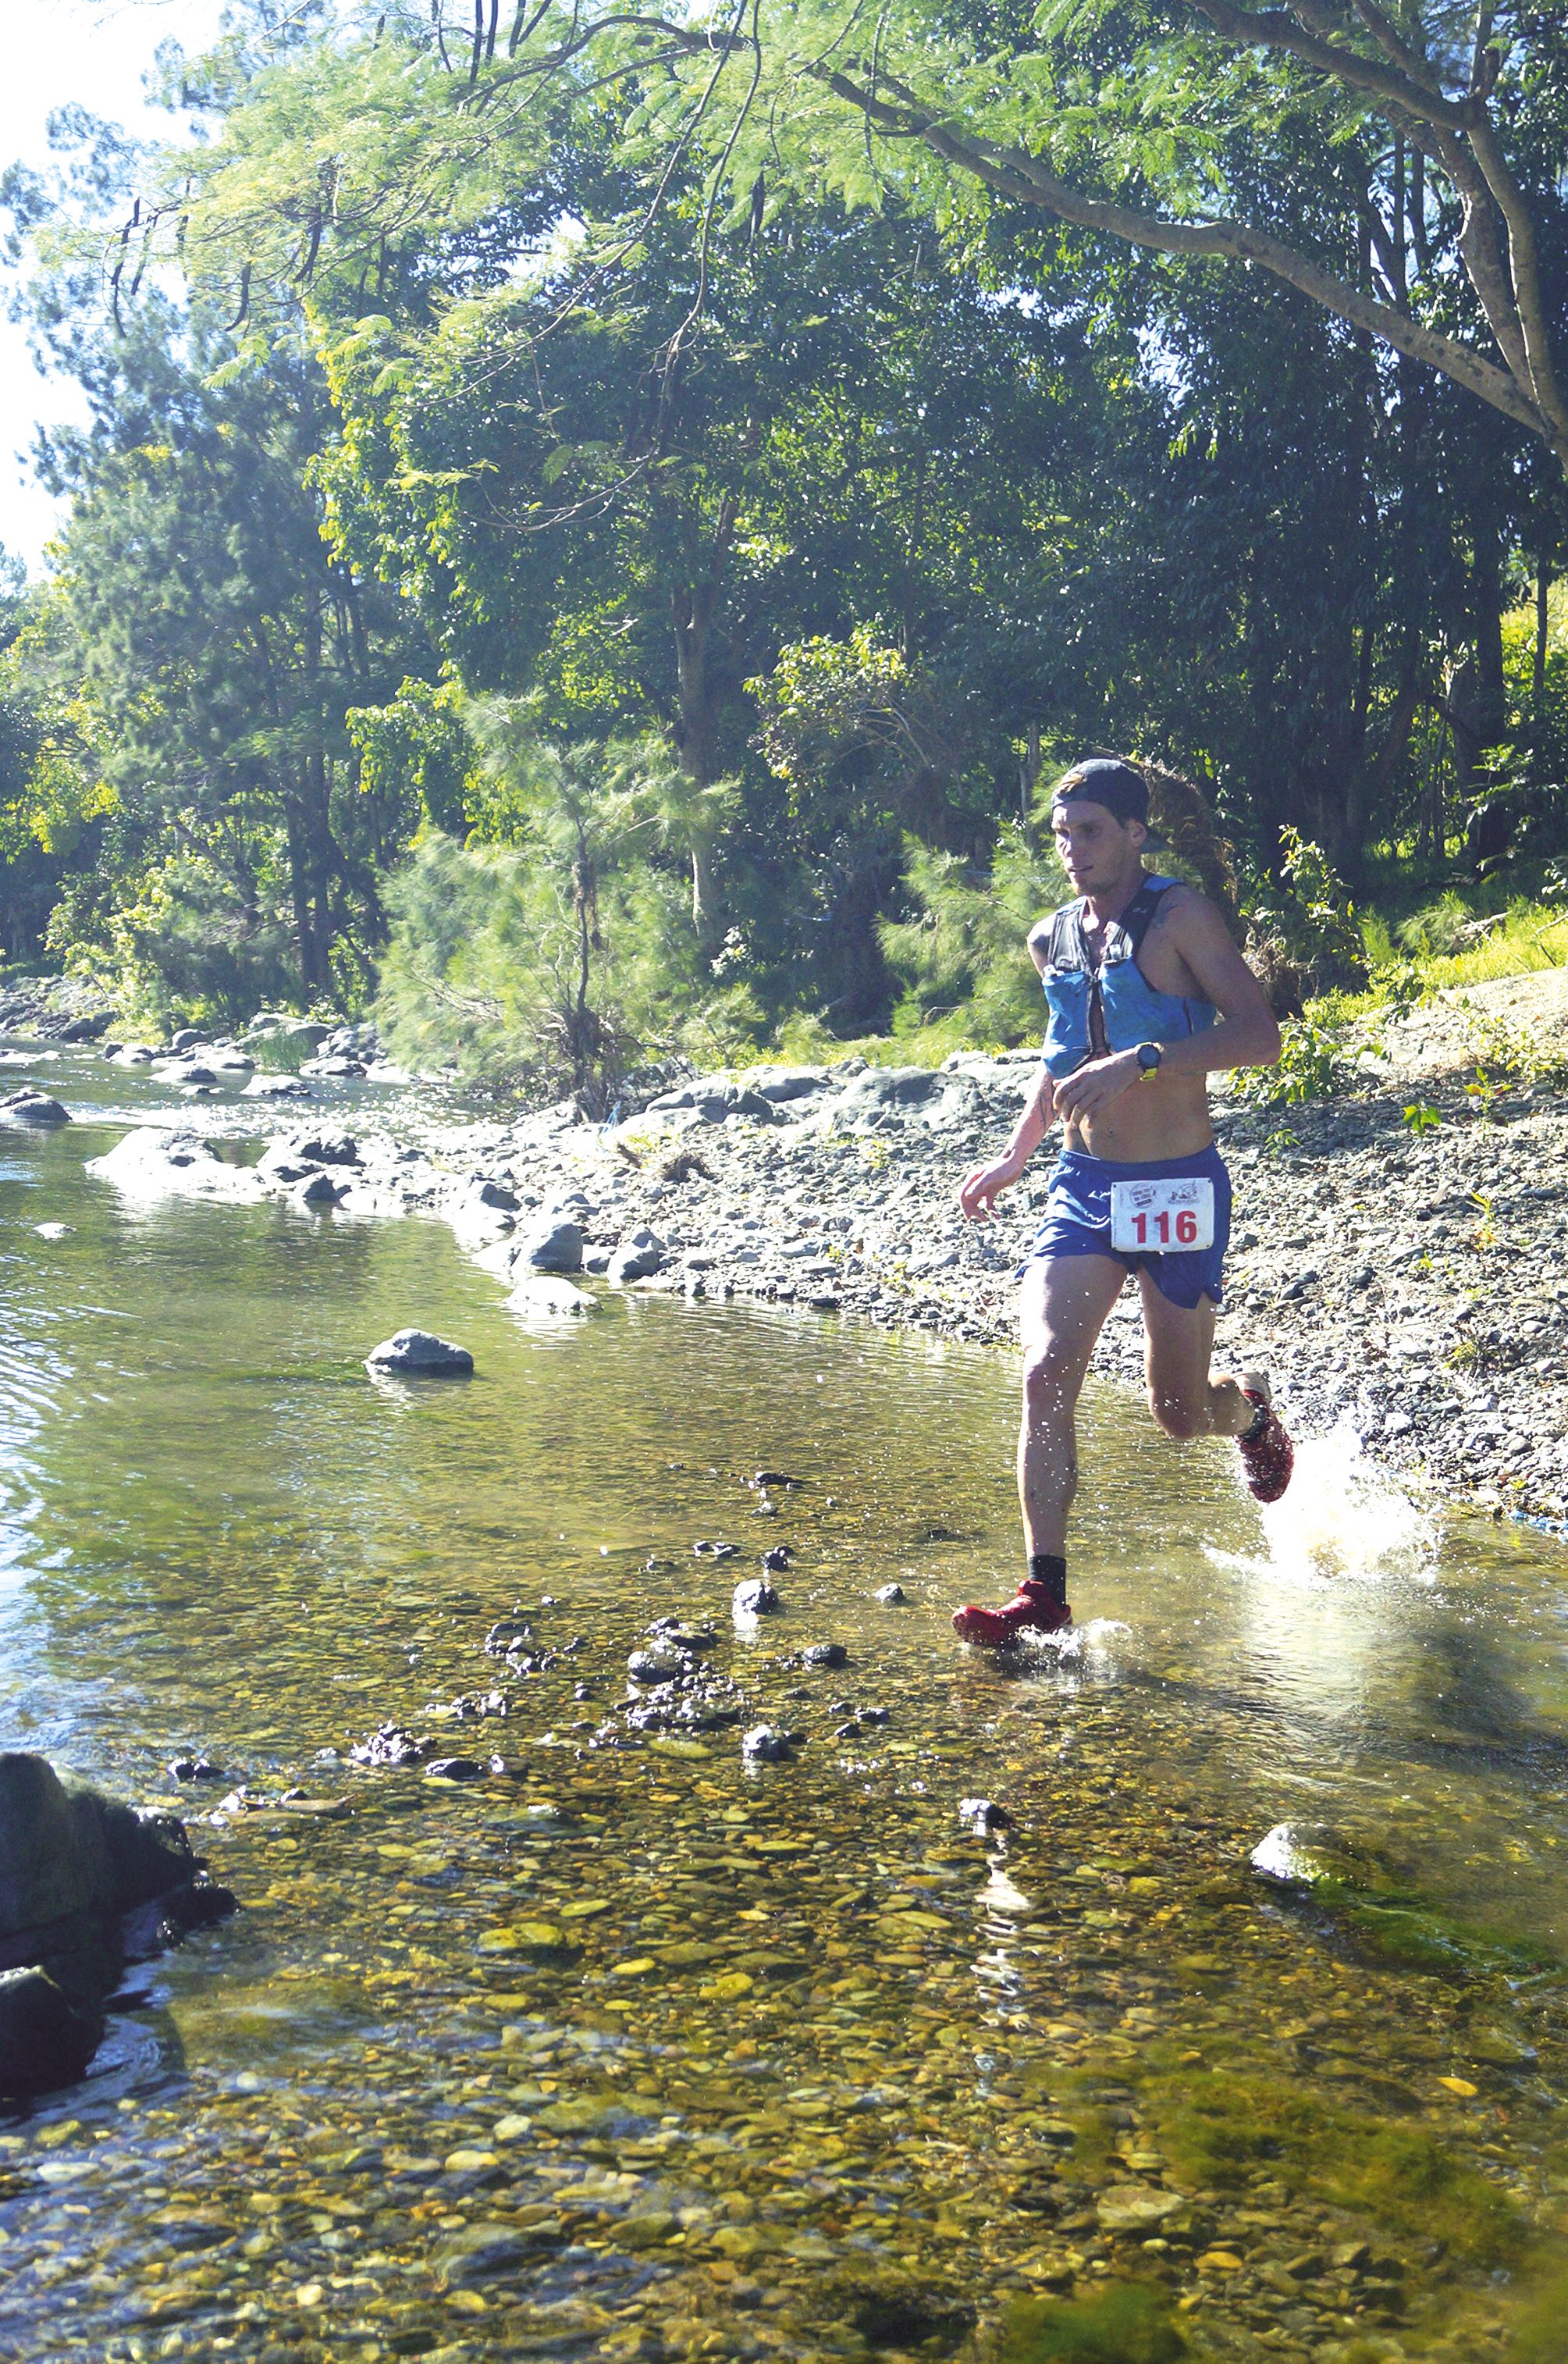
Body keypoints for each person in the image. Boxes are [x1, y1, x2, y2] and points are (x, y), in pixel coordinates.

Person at [951, 757, 1294, 1647]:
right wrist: (1011, 1157)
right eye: (1061, 834)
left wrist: (1141, 1058)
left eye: (1090, 830)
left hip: (1177, 1186)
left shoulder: (1178, 916)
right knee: (1042, 1371)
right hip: (1083, 1189)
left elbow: (1260, 1036)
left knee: (1178, 1415)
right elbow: (1060, 1060)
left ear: (1135, 833)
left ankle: (1249, 1413)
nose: (1071, 849)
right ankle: (1044, 1592)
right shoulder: (1050, 938)